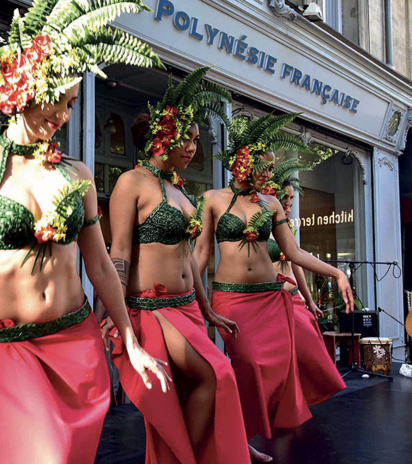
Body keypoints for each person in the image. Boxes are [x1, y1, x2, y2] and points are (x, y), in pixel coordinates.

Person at [0, 2, 171, 462]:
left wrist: (130, 340)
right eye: (54, 98)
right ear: (23, 85)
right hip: (10, 353)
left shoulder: (77, 173)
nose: (61, 115)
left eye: (71, 103)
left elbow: (99, 264)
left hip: (76, 347)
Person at [99, 66, 249, 463]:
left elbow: (186, 258)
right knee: (216, 375)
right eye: (189, 139)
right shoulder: (131, 182)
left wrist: (208, 310)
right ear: (164, 136)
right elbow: (119, 252)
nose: (194, 148)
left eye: (198, 141)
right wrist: (113, 314)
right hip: (155, 309)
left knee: (193, 389)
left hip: (188, 309)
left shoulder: (178, 189)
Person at [194, 113, 354, 462]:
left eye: (271, 167)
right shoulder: (213, 200)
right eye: (263, 166)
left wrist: (336, 274)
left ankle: (247, 441)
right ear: (242, 162)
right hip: (232, 300)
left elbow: (294, 252)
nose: (269, 174)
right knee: (249, 366)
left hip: (270, 298)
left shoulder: (271, 204)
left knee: (274, 375)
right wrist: (196, 302)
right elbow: (201, 254)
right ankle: (235, 438)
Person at [264, 162, 346, 406]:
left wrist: (309, 300)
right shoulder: (260, 226)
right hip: (273, 299)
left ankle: (300, 397)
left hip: (294, 298)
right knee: (282, 355)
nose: (289, 202)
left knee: (310, 348)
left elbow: (296, 261)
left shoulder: (286, 226)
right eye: (286, 197)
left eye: (291, 198)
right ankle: (282, 401)